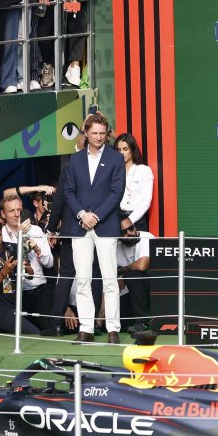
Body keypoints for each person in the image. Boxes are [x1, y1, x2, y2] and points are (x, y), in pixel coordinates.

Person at [63, 112, 125, 343]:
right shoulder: (75, 159)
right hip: (79, 225)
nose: (99, 137)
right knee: (82, 280)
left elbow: (116, 193)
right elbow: (69, 191)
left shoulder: (116, 158)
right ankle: (86, 329)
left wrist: (95, 216)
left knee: (110, 280)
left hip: (105, 225)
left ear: (107, 134)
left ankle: (113, 329)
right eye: (94, 133)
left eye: (102, 133)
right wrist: (82, 214)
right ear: (86, 134)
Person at [0, 194, 54, 333]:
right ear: (3, 214)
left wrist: (38, 249)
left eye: (19, 210)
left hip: (39, 289)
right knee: (19, 332)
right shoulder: (0, 236)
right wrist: (20, 236)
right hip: (13, 293)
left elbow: (50, 263)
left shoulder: (36, 230)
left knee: (48, 330)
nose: (17, 214)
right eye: (11, 211)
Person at [0, 215, 39, 334]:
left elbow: (30, 275)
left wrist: (26, 268)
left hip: (18, 305)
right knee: (34, 333)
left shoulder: (13, 247)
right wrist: (3, 272)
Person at [116, 216, 154, 333]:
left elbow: (142, 265)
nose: (129, 233)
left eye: (131, 228)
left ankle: (142, 322)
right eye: (124, 232)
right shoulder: (116, 247)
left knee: (133, 275)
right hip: (129, 293)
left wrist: (122, 271)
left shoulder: (147, 237)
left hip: (153, 288)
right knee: (121, 325)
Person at [115, 133, 154, 231]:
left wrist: (130, 220)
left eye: (125, 149)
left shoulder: (144, 170)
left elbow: (146, 201)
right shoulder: (114, 171)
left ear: (132, 149)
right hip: (116, 218)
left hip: (137, 218)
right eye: (118, 150)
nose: (121, 153)